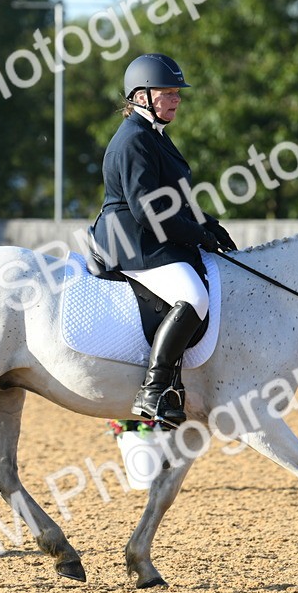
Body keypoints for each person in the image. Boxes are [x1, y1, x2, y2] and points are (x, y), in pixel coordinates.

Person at [88, 53, 237, 425]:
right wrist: (196, 234)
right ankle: (154, 390)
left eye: (177, 93)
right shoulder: (135, 140)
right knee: (194, 296)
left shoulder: (155, 136)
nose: (176, 100)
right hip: (130, 239)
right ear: (141, 97)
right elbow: (147, 210)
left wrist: (210, 225)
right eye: (168, 93)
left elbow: (176, 198)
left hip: (149, 235)